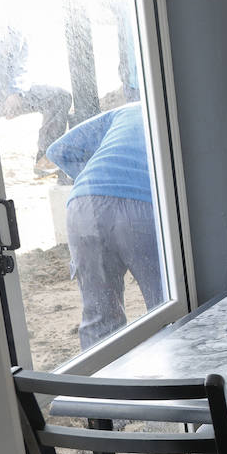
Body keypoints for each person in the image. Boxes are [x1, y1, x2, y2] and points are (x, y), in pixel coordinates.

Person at [45, 104, 164, 349]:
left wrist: (95, 182)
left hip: (84, 205)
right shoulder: (179, 112)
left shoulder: (123, 112)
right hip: (144, 205)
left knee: (99, 317)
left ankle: (103, 385)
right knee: (167, 307)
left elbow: (57, 150)